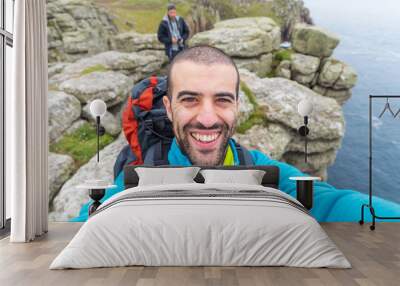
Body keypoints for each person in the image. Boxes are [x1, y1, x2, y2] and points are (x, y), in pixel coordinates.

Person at [73, 45, 400, 222]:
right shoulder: (142, 173)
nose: (207, 118)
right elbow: (93, 220)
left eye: (222, 100)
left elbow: (331, 202)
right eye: (190, 99)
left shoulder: (259, 169)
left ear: (237, 108)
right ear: (169, 109)